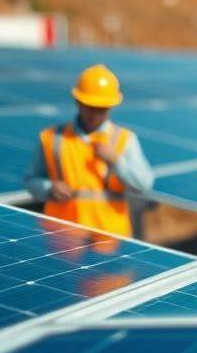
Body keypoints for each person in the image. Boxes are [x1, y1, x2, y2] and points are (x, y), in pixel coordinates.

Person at [24, 64, 154, 238]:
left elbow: (144, 184)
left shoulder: (124, 139)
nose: (95, 114)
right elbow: (31, 179)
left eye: (102, 109)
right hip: (62, 237)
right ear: (78, 102)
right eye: (90, 106)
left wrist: (116, 161)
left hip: (109, 239)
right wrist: (48, 189)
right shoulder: (51, 137)